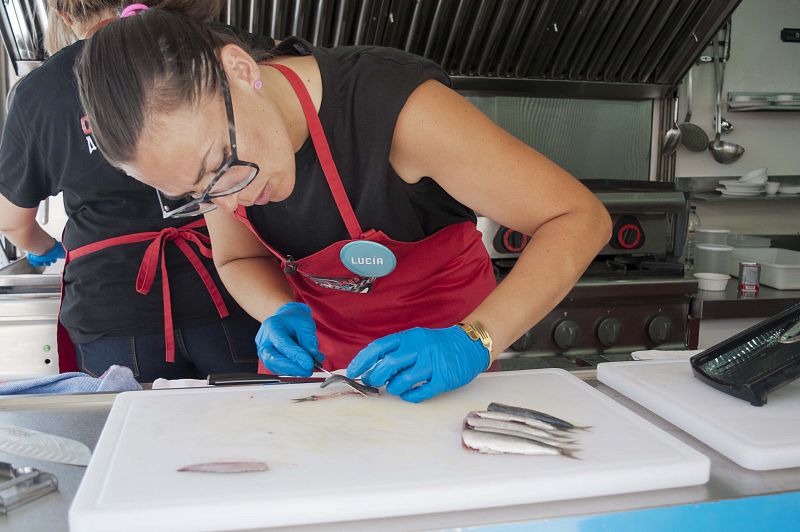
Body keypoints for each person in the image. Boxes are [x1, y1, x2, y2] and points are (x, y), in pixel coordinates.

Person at [76, 1, 612, 401]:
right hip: (321, 378)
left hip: (444, 364)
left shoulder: (396, 108)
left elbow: (578, 218)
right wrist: (278, 312)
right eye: (196, 193)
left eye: (221, 165)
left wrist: (474, 340)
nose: (228, 196)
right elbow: (238, 258)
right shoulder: (215, 165)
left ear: (240, 70)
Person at [0, 0, 274, 382]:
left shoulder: (39, 91)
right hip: (227, 294)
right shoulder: (196, 48)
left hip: (113, 310)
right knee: (244, 431)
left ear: (66, 16)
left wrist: (49, 249)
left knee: (131, 433)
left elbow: (12, 222)